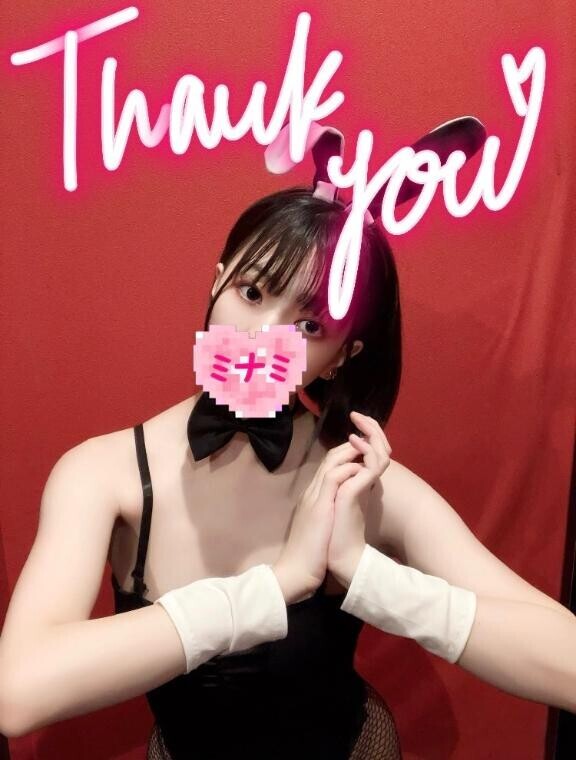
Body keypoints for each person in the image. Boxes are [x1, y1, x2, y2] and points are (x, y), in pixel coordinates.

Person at [0, 118, 496, 759]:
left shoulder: (358, 479)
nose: (263, 335)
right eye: (252, 291)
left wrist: (370, 577)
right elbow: (17, 694)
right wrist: (276, 585)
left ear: (343, 357)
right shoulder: (102, 473)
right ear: (217, 280)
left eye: (311, 325)